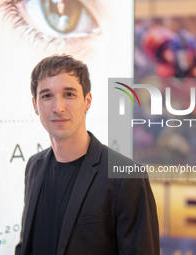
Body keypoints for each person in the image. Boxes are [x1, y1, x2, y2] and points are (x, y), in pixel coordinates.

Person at [15, 54, 160, 255]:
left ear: (87, 101)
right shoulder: (34, 166)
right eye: (47, 96)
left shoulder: (126, 176)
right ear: (35, 105)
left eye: (69, 94)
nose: (58, 108)